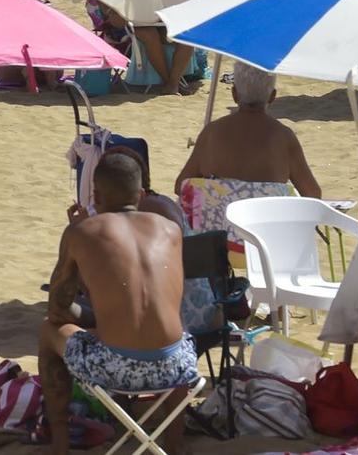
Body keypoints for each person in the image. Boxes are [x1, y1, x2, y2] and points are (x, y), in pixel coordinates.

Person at [38, 153, 196, 454]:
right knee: (178, 335)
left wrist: (87, 318)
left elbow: (57, 310)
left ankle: (59, 444)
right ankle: (174, 443)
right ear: (140, 194)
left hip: (115, 370)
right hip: (177, 368)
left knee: (48, 332)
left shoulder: (81, 232)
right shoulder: (171, 230)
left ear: (95, 195)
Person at [173, 67, 321, 234]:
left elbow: (181, 185)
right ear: (273, 96)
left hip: (215, 247)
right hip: (265, 245)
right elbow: (312, 194)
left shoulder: (212, 132)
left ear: (234, 94)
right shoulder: (284, 137)